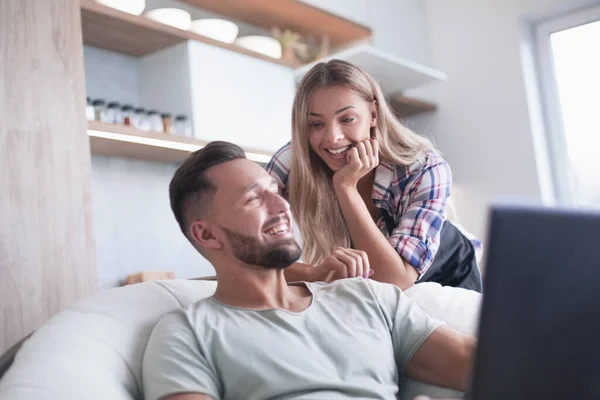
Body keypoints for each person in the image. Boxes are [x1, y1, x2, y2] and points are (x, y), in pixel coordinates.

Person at [142, 141, 476, 400]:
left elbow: (483, 365)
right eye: (254, 199)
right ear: (206, 234)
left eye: (274, 191)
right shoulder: (188, 333)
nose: (282, 206)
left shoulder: (366, 295)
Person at [266, 59, 482, 292]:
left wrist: (346, 187)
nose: (332, 137)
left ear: (373, 115)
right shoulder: (292, 162)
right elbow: (248, 253)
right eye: (316, 124)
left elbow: (394, 280)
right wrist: (314, 273)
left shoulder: (424, 168)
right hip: (374, 282)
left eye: (347, 119)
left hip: (449, 271)